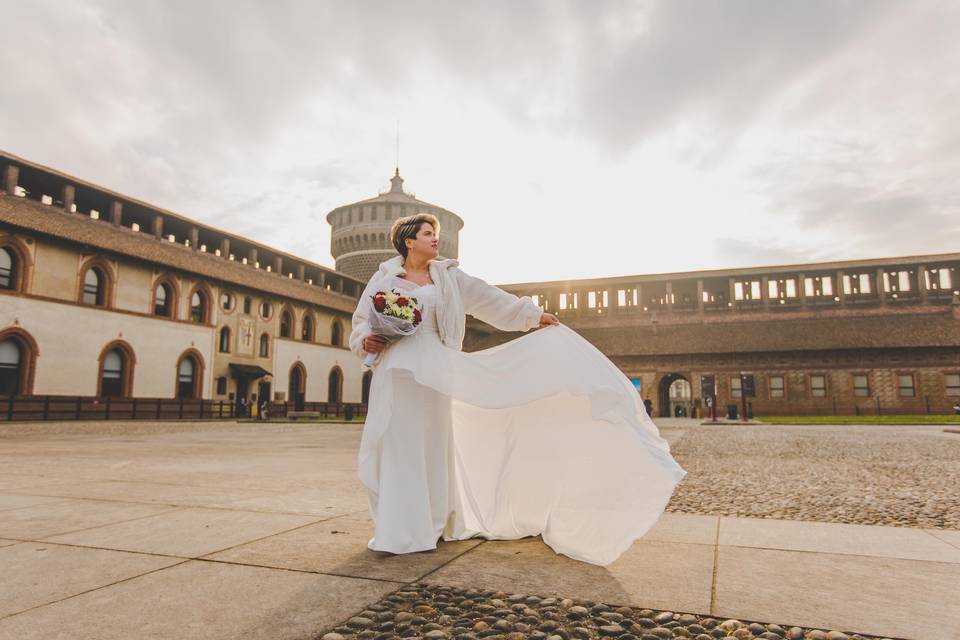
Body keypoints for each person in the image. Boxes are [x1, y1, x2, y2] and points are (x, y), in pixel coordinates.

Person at [350, 213, 685, 566]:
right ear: (408, 241)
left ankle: (429, 523)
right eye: (428, 233)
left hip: (436, 368)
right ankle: (399, 528)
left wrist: (531, 316)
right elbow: (362, 321)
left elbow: (488, 298)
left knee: (432, 443)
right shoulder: (384, 278)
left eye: (437, 233)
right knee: (399, 443)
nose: (436, 239)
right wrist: (365, 340)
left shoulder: (448, 277)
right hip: (396, 368)